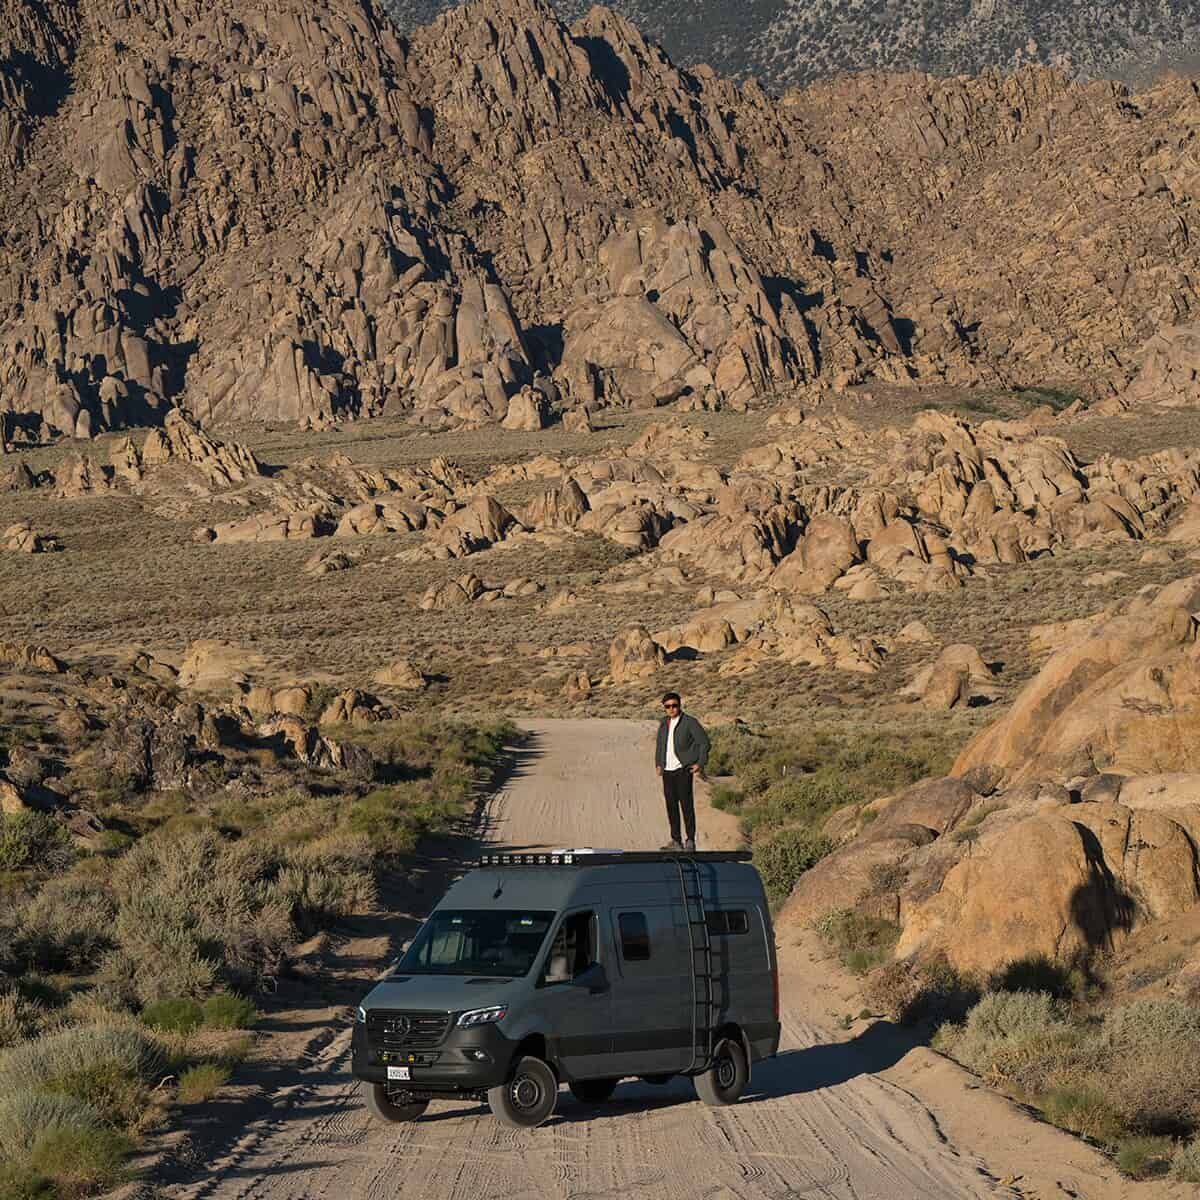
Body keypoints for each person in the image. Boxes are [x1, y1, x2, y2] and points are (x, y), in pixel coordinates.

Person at [654, 691, 710, 851]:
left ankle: (690, 840)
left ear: (680, 705)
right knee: (671, 806)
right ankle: (676, 841)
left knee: (686, 806)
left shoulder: (690, 722)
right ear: (664, 708)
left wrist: (700, 763)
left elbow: (704, 743)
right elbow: (660, 745)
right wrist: (659, 763)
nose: (671, 709)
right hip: (667, 771)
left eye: (674, 705)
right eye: (668, 706)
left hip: (683, 770)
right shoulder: (664, 723)